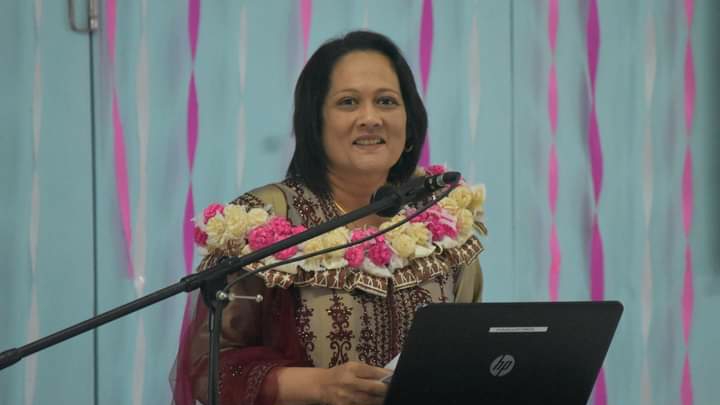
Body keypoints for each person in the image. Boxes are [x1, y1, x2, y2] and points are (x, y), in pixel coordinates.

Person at [172, 30, 486, 405]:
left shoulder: (439, 214)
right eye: (348, 102)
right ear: (315, 121)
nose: (370, 118)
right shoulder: (264, 220)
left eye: (386, 101)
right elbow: (208, 369)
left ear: (409, 119)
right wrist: (318, 386)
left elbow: (469, 347)